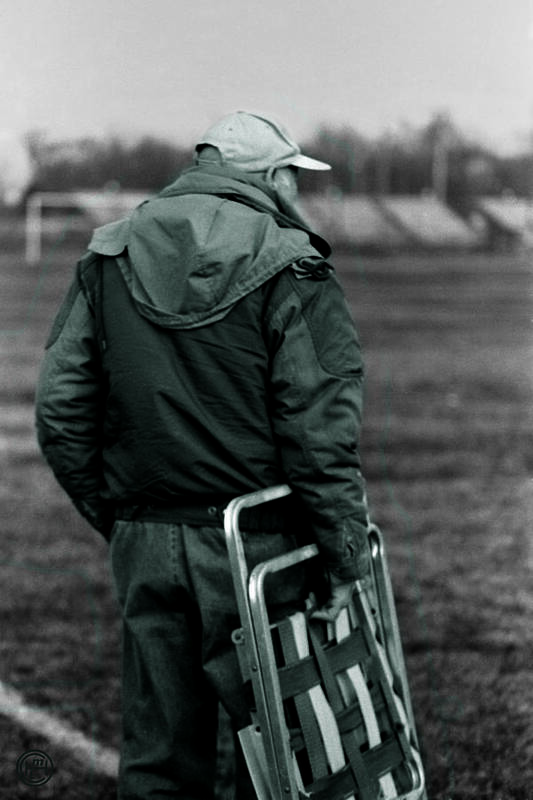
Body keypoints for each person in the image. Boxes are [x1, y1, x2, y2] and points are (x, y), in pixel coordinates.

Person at [35, 110, 371, 799]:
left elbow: (60, 411)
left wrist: (122, 517)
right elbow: (319, 437)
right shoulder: (291, 262)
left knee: (158, 763)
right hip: (258, 543)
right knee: (290, 755)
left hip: (147, 533)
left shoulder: (109, 253)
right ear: (270, 176)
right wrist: (343, 557)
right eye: (293, 178)